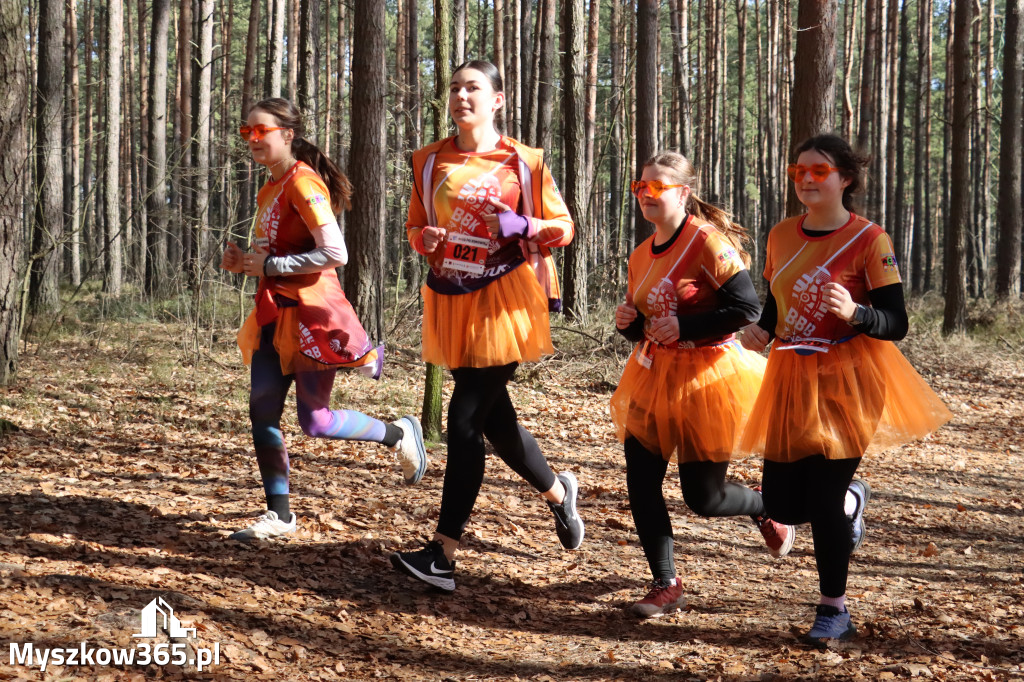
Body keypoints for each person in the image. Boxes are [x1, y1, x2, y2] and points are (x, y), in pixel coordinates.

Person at [739, 134, 952, 645]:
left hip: (851, 377)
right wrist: (763, 329)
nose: (807, 180)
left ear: (845, 179)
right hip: (790, 375)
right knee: (786, 506)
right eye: (799, 172)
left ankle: (834, 609)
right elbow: (775, 302)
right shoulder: (780, 235)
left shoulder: (869, 239)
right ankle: (852, 504)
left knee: (825, 496)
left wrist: (856, 313)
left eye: (819, 171)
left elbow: (896, 322)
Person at [389, 60, 583, 592]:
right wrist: (422, 240)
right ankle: (559, 494)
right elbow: (414, 224)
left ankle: (443, 555)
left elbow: (563, 227)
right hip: (452, 299)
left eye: (473, 88)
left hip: (507, 298)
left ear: (497, 100)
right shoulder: (429, 161)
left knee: (464, 421)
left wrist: (530, 225)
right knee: (496, 421)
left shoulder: (523, 161)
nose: (461, 96)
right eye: (454, 88)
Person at [220, 97, 428, 542]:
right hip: (273, 317)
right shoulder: (269, 187)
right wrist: (245, 263)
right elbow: (272, 254)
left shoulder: (303, 183)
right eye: (247, 132)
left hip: (313, 318)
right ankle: (279, 515)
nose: (253, 139)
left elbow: (336, 253)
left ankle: (398, 433)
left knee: (316, 422)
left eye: (262, 131)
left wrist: (271, 268)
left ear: (287, 135)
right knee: (262, 413)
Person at [610, 151, 795, 619]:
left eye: (657, 187)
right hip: (652, 377)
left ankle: (765, 508)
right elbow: (648, 324)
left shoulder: (706, 242)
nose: (646, 195)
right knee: (641, 481)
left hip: (707, 379)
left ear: (683, 193)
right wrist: (629, 324)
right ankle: (666, 583)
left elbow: (748, 309)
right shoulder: (639, 255)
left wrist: (686, 329)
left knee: (703, 498)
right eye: (640, 187)